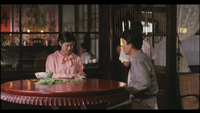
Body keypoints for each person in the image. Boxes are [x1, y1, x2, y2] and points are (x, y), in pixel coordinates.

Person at [121, 30, 158, 109]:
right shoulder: (141, 56)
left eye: (123, 43)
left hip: (143, 102)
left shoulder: (138, 60)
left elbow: (144, 84)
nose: (122, 46)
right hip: (147, 101)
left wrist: (127, 89)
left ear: (130, 45)